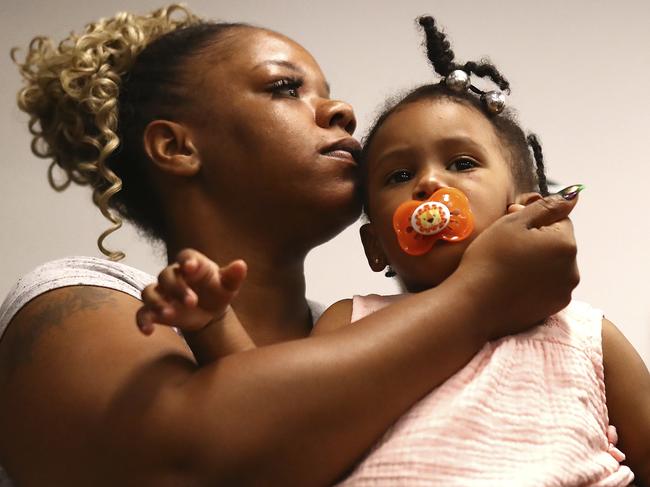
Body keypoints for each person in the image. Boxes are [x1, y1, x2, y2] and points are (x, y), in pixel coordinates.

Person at [0, 5, 583, 485]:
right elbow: (182, 464)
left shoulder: (360, 332)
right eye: (286, 89)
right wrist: (481, 294)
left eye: (328, 93)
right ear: (177, 148)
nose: (342, 111)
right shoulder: (75, 299)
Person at [142, 15, 650, 486]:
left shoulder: (586, 334)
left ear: (527, 211)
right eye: (399, 175)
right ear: (377, 245)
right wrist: (212, 324)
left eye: (462, 163)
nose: (429, 183)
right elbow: (281, 425)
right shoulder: (351, 321)